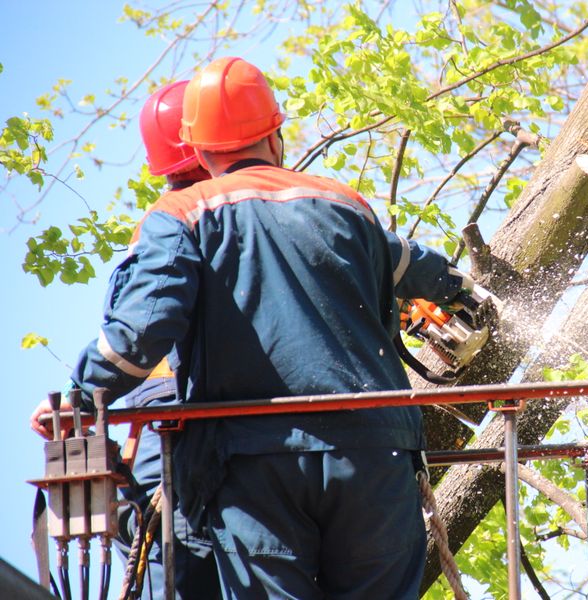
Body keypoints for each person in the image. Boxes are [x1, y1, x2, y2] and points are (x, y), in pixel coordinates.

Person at [32, 56, 470, 599]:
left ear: (199, 150)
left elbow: (141, 332)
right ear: (276, 133)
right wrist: (460, 290)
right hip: (377, 454)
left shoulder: (182, 215)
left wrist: (79, 396)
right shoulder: (344, 203)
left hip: (258, 462)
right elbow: (407, 261)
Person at [113, 80, 220, 600]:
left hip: (162, 423)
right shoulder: (197, 218)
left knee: (174, 560)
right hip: (180, 420)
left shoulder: (158, 224)